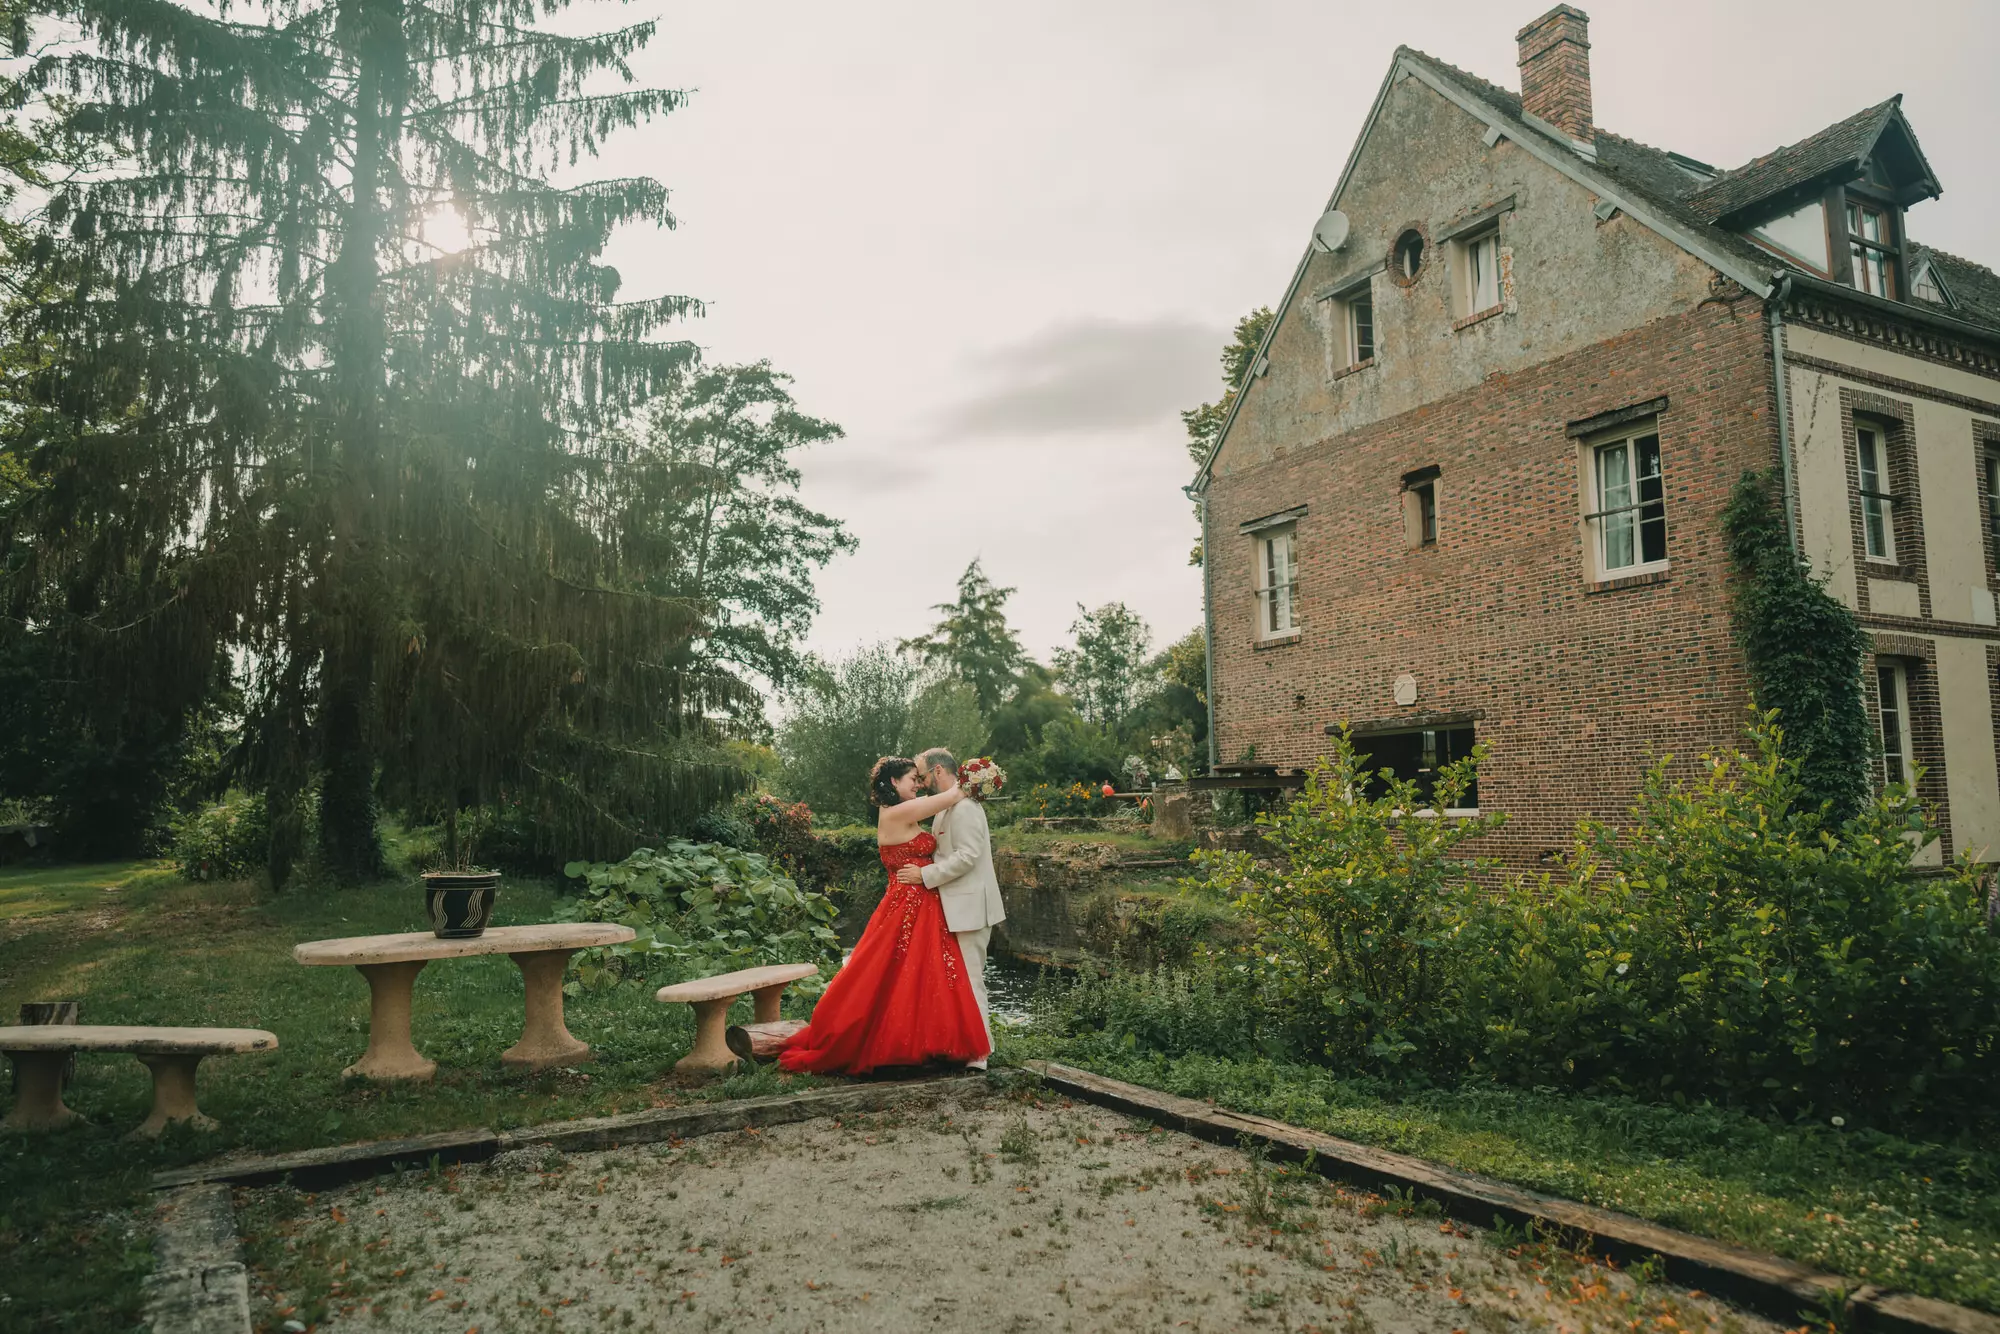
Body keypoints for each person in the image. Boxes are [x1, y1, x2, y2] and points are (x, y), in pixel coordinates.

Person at [777, 756, 990, 1075]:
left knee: (919, 974)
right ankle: (897, 1042)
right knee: (897, 974)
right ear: (893, 783)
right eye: (911, 779)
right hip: (907, 903)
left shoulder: (903, 811)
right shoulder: (900, 812)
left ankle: (925, 1039)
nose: (918, 784)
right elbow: (954, 795)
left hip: (922, 901)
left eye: (920, 779)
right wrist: (983, 775)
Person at [895, 747, 1004, 1070]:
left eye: (923, 776)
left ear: (939, 771)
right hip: (953, 907)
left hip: (970, 908)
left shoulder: (966, 808)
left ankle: (980, 1054)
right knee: (957, 982)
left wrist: (924, 875)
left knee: (972, 980)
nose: (922, 782)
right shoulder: (946, 809)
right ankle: (963, 1045)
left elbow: (968, 856)